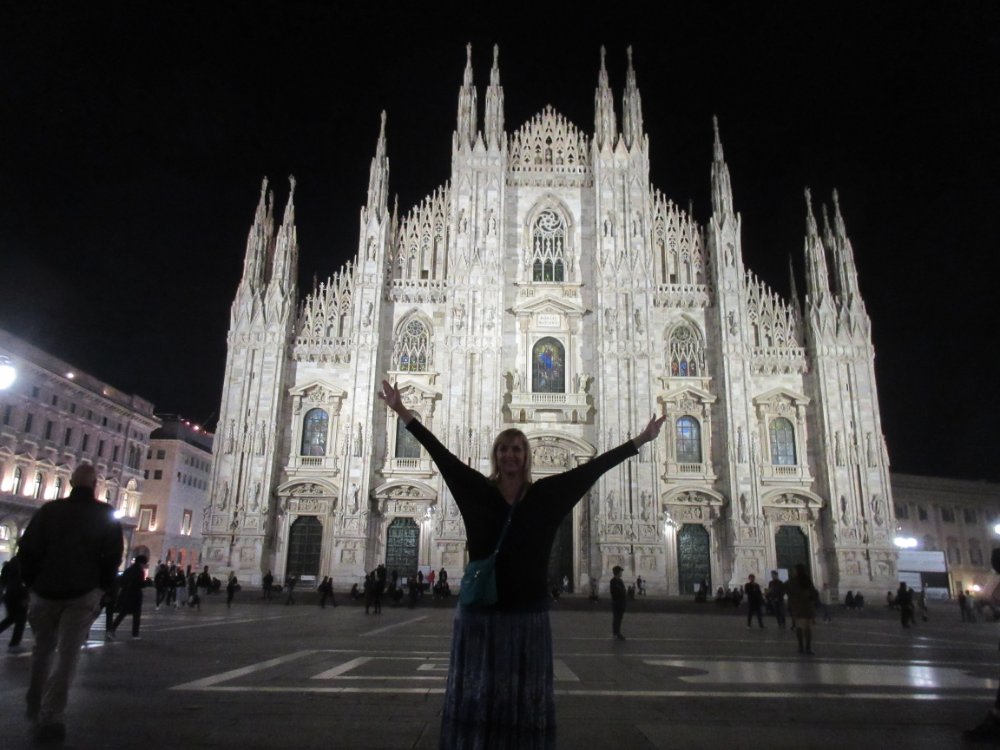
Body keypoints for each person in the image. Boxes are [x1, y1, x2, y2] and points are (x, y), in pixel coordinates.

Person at [379, 378, 664, 748]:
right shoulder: (477, 491)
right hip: (482, 613)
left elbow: (591, 470)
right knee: (480, 691)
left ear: (526, 457)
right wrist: (402, 412)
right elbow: (441, 455)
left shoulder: (545, 495)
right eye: (503, 449)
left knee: (523, 694)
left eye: (516, 449)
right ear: (495, 455)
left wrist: (640, 440)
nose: (509, 455)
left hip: (527, 614)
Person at [17, 463, 124, 742]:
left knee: (42, 651)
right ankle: (51, 714)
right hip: (81, 594)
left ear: (71, 483)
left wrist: (31, 584)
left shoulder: (49, 511)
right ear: (95, 485)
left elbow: (26, 549)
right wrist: (101, 588)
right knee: (68, 655)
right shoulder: (104, 514)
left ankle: (34, 705)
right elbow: (113, 556)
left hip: (44, 592)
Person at [109, 554, 150, 639]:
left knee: (123, 613)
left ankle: (112, 629)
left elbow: (122, 581)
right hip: (135, 595)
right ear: (142, 563)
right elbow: (140, 583)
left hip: (126, 594)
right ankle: (135, 634)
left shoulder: (129, 569)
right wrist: (146, 582)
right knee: (136, 615)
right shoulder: (139, 570)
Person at [785, 563, 818, 655]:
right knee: (807, 628)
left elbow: (783, 588)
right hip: (807, 607)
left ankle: (801, 647)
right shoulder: (807, 580)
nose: (793, 572)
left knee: (799, 628)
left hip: (798, 608)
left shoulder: (792, 581)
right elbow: (814, 592)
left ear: (797, 571)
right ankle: (808, 648)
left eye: (794, 570)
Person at [0, 554, 29, 650]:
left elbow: (3, 581)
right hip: (19, 595)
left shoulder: (9, 565)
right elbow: (26, 580)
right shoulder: (24, 564)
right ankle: (14, 643)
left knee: (12, 618)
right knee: (20, 619)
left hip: (10, 594)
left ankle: (15, 643)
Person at [610, 566, 627, 641]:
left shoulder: (620, 581)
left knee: (619, 619)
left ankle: (617, 632)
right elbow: (614, 593)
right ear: (617, 572)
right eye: (620, 571)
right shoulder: (613, 581)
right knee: (616, 619)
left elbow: (623, 590)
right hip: (617, 603)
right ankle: (616, 633)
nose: (621, 573)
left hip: (621, 603)